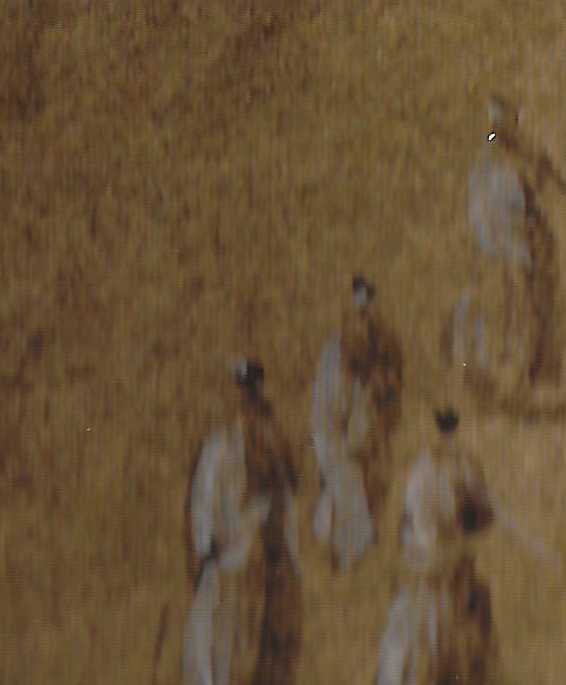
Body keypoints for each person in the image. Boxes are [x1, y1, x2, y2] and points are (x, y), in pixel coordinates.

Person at [181, 361, 305, 685]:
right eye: (245, 399)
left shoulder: (271, 446)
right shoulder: (220, 446)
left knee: (243, 641)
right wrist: (207, 543)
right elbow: (203, 497)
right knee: (210, 635)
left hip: (255, 558)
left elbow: (285, 497)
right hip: (223, 555)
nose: (251, 410)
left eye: (255, 399)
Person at [451, 99, 566, 398]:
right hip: (501, 241)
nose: (500, 126)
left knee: (532, 306)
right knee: (509, 307)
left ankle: (531, 377)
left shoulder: (519, 152)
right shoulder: (493, 148)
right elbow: (495, 147)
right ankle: (505, 376)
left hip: (519, 240)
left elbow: (545, 180)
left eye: (507, 119)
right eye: (498, 120)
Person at [374, 409, 510, 685]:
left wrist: (478, 511)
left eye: (451, 431)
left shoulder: (467, 465)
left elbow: (481, 516)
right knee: (421, 634)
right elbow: (418, 526)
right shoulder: (421, 473)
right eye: (443, 432)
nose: (448, 439)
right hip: (430, 567)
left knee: (472, 616)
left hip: (455, 564)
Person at [303, 277, 406, 566]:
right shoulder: (339, 341)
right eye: (359, 304)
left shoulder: (385, 338)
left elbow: (394, 378)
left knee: (369, 479)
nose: (364, 312)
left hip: (370, 420)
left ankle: (355, 543)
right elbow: (330, 389)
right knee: (343, 481)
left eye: (368, 304)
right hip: (343, 421)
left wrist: (381, 389)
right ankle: (341, 546)